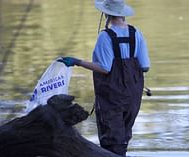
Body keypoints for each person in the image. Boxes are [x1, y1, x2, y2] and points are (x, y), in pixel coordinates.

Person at [58, 0, 150, 156]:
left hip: (111, 96)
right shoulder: (137, 33)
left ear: (106, 13)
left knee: (112, 142)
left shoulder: (105, 37)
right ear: (122, 13)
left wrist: (77, 61)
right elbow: (145, 66)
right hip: (133, 95)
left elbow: (104, 68)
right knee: (123, 138)